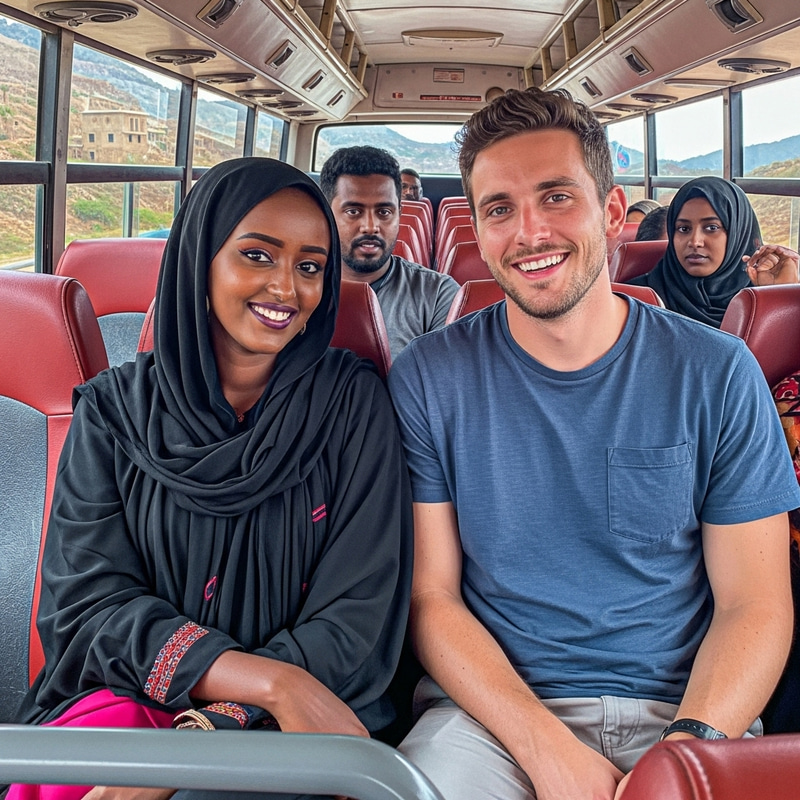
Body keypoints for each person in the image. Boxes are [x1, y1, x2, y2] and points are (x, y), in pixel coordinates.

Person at [387, 86, 800, 800]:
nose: (529, 232)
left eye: (555, 197)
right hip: (489, 720)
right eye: (499, 209)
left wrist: (684, 754)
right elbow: (433, 598)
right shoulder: (429, 376)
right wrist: (545, 749)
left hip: (691, 711)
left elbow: (755, 605)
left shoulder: (717, 372)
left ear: (611, 213)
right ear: (479, 233)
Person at [8, 158, 412, 800]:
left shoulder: (353, 406)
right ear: (200, 262)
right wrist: (268, 683)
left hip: (306, 721)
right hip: (139, 701)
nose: (287, 287)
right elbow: (89, 606)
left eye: (310, 266)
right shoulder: (112, 414)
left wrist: (213, 732)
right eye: (257, 255)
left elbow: (358, 613)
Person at [320, 146, 459, 360]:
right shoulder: (297, 286)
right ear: (327, 214)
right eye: (353, 211)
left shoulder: (438, 293)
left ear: (400, 215)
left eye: (384, 212)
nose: (370, 227)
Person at [628, 176, 799, 326]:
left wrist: (780, 297)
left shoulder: (757, 298)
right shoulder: (635, 300)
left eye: (711, 227)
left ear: (737, 235)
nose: (695, 242)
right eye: (683, 229)